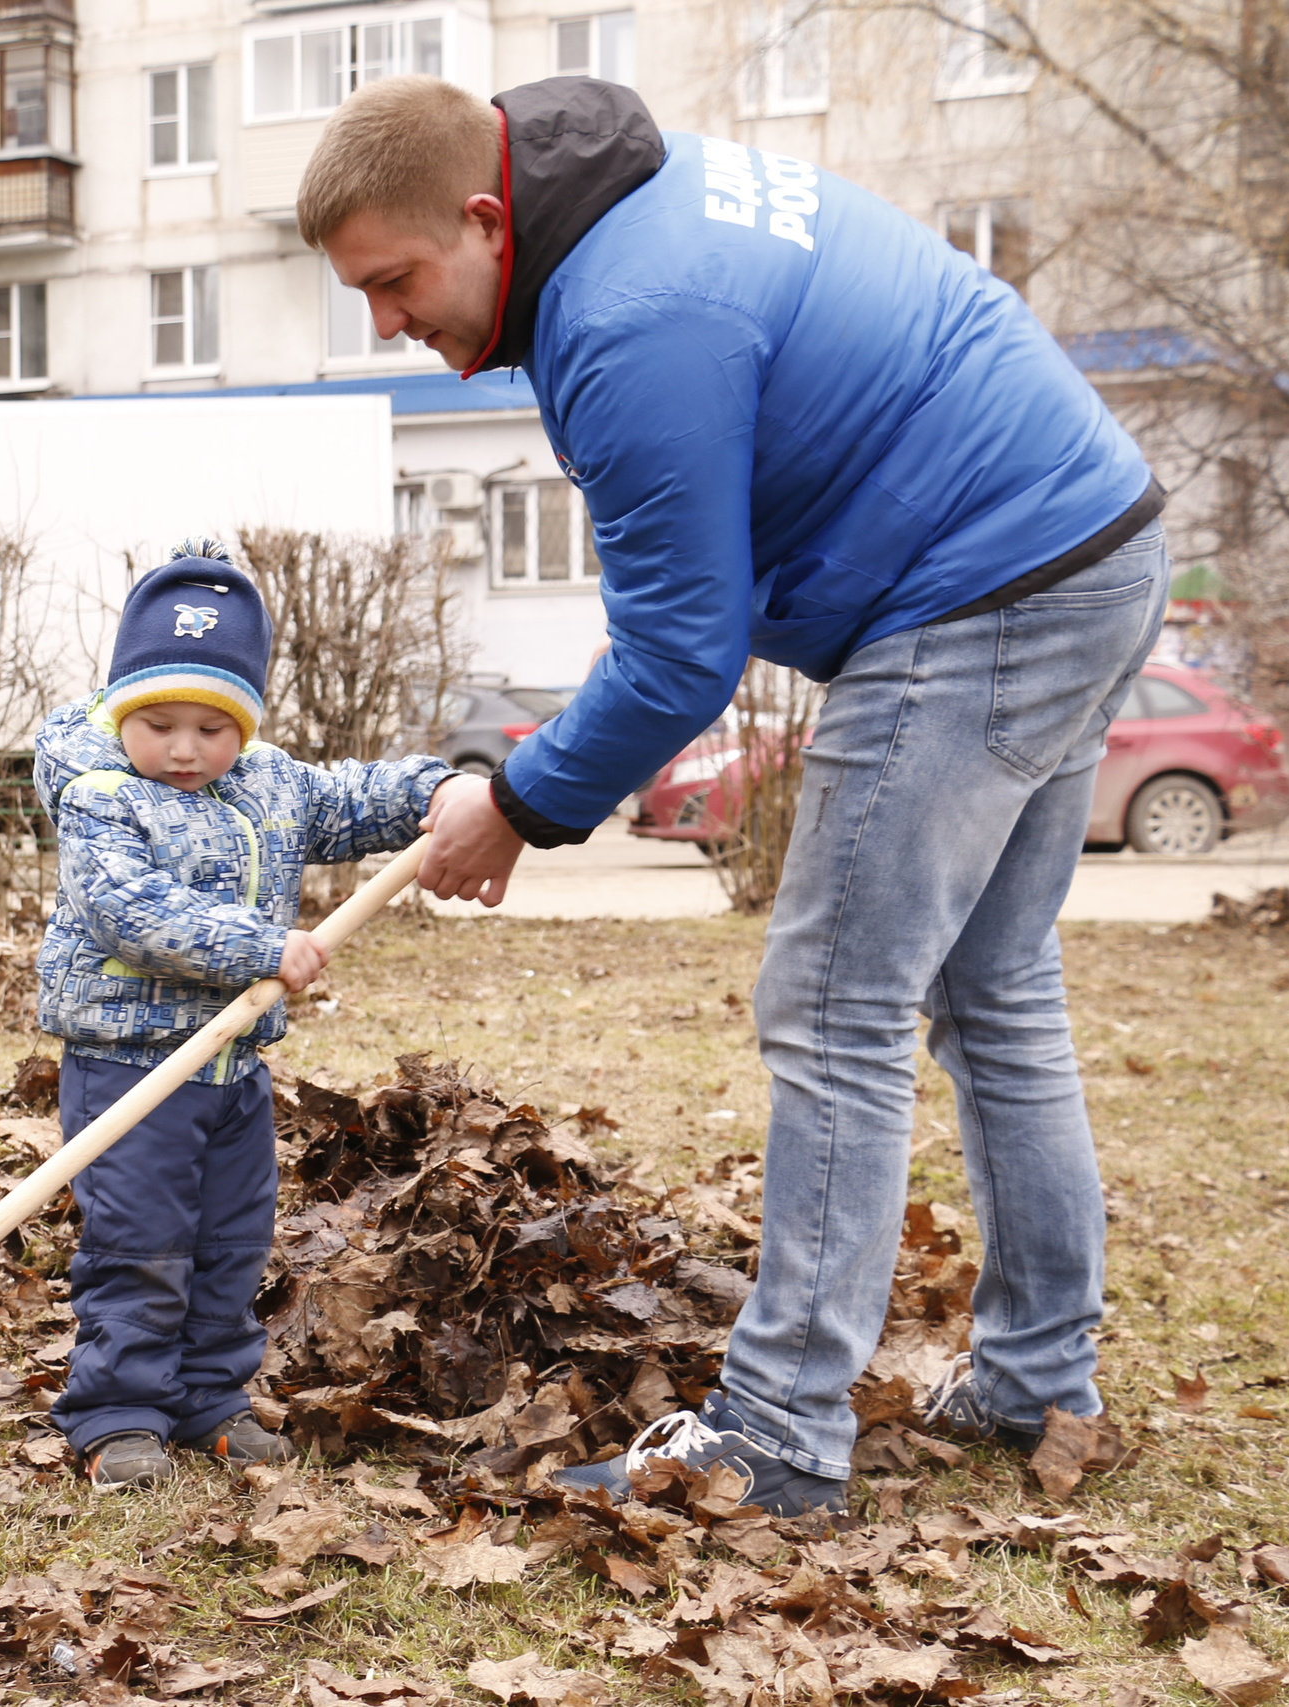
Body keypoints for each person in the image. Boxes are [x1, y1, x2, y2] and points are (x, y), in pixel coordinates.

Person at [301, 77, 1168, 1514]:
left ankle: (775, 1436)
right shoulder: (634, 215)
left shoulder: (630, 315)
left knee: (834, 1002)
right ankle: (1032, 1378)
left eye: (395, 282)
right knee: (995, 989)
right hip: (1089, 538)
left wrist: (513, 801)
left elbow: (681, 660)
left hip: (981, 586)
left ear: (486, 218)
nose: (388, 322)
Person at [33, 540, 467, 1490]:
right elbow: (128, 909)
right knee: (142, 1243)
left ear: (246, 722)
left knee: (232, 1239)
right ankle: (119, 1412)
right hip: (132, 1066)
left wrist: (435, 791)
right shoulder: (101, 795)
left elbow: (352, 798)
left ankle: (207, 1398)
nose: (185, 749)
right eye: (159, 723)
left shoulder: (270, 784)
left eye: (213, 726)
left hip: (232, 1069)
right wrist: (257, 945)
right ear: (120, 709)